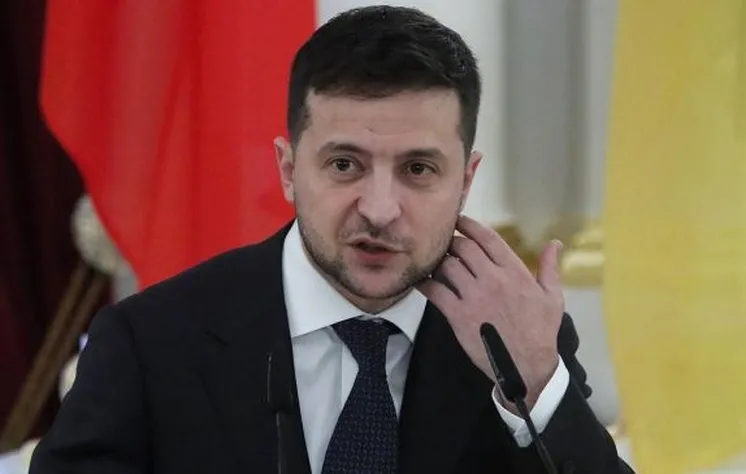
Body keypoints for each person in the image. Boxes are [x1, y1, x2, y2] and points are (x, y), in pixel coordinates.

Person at [30, 6, 634, 474]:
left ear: (466, 181)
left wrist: (536, 383)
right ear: (289, 168)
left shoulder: (517, 341)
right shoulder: (150, 343)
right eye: (345, 165)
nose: (379, 209)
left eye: (418, 169)